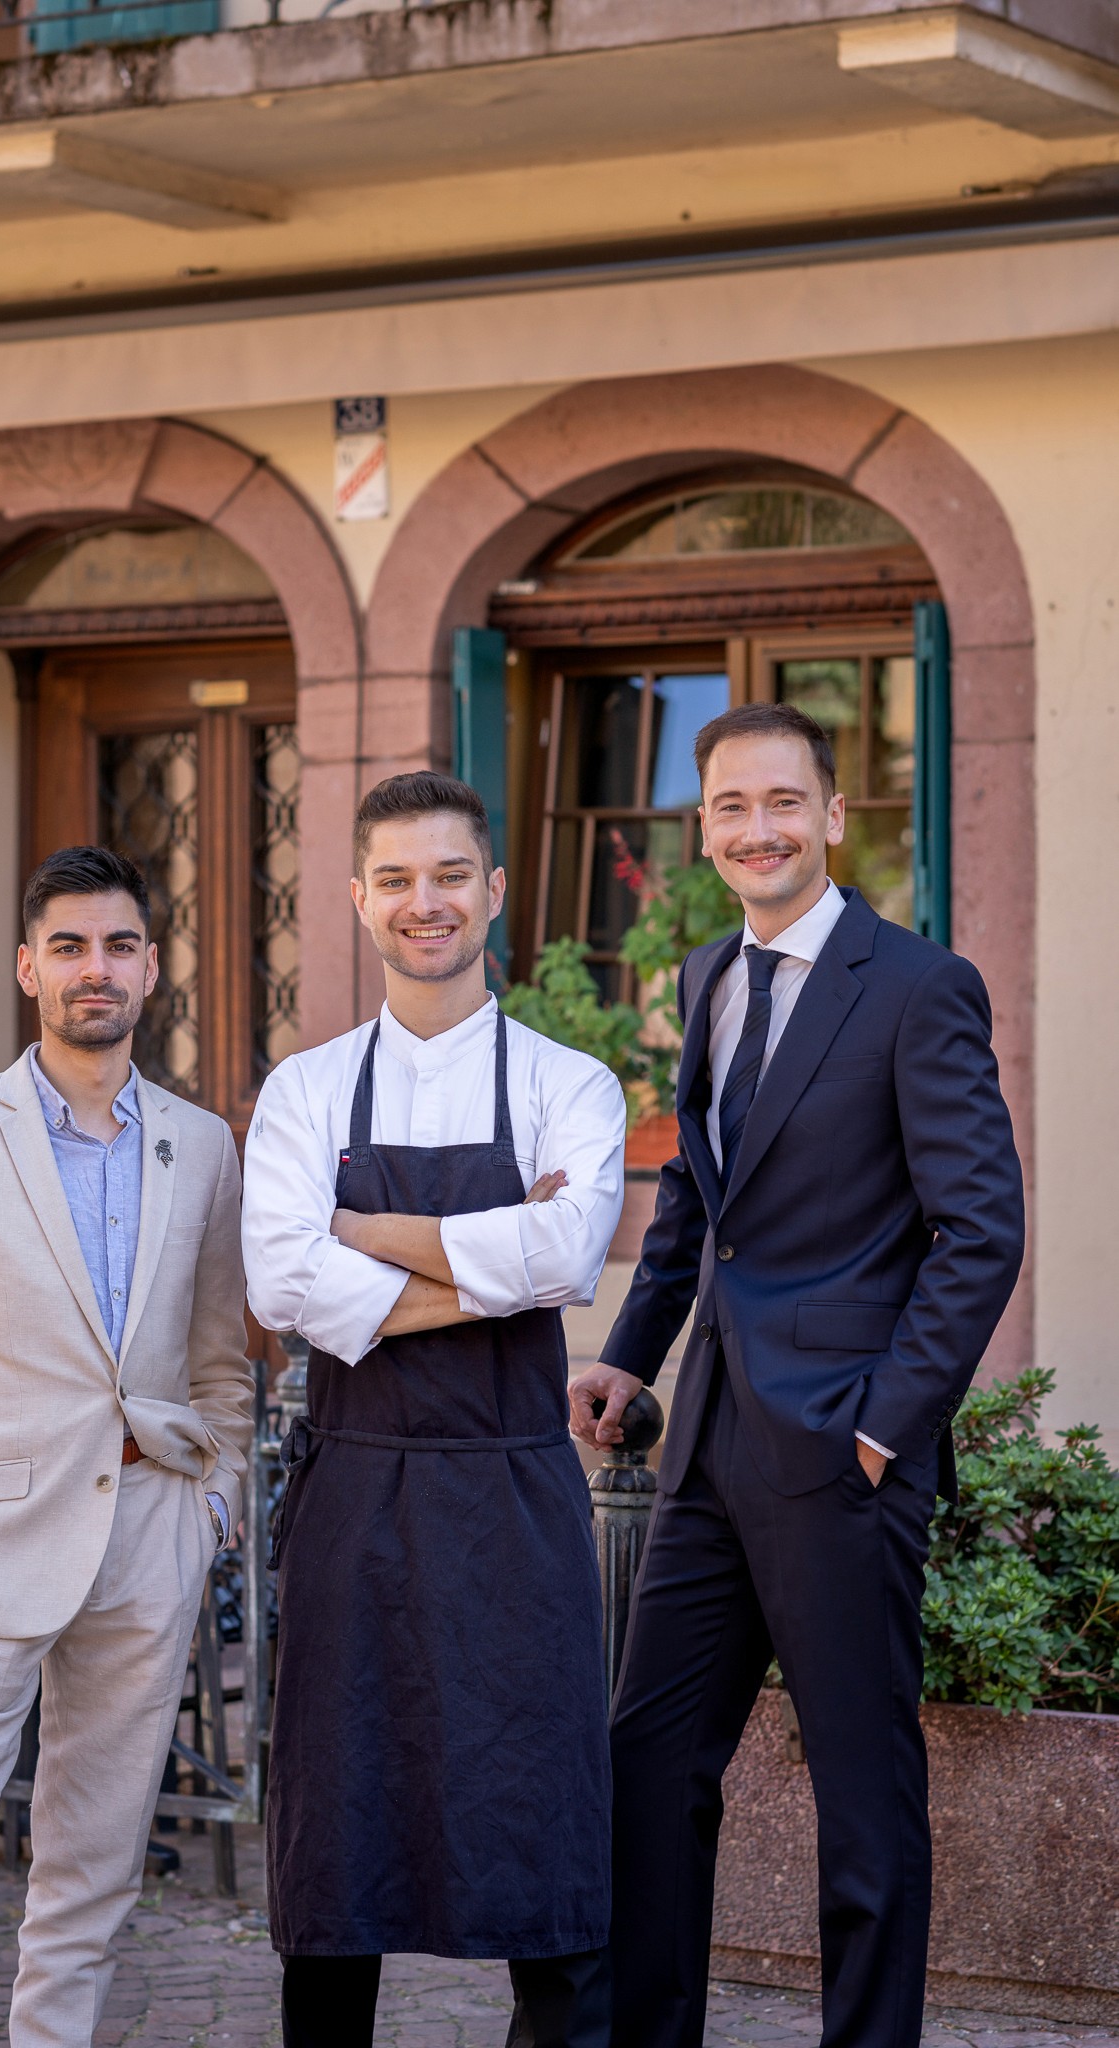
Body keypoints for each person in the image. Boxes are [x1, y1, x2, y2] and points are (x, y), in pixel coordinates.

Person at [572, 702, 1026, 2048]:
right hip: (708, 1442)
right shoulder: (709, 974)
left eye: (783, 801)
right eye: (730, 805)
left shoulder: (919, 987)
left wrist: (884, 1428)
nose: (756, 828)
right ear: (704, 827)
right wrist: (629, 1352)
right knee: (650, 1763)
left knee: (862, 1797)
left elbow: (980, 1231)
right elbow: (698, 1196)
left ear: (832, 815)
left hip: (841, 1457)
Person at [0, 844, 254, 2048]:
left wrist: (210, 1506)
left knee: (93, 1873)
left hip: (148, 1544)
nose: (95, 968)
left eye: (119, 944)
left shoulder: (202, 1144)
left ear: (152, 967)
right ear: (28, 967)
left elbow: (222, 1361)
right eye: (68, 946)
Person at [243, 771, 626, 2048]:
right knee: (337, 1831)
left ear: (494, 889)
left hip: (516, 1490)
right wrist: (490, 1258)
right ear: (359, 897)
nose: (427, 901)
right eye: (398, 878)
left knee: (545, 1821)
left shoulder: (571, 1081)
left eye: (451, 874)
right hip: (354, 1492)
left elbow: (570, 1255)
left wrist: (363, 1234)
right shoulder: (305, 1088)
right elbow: (280, 1283)